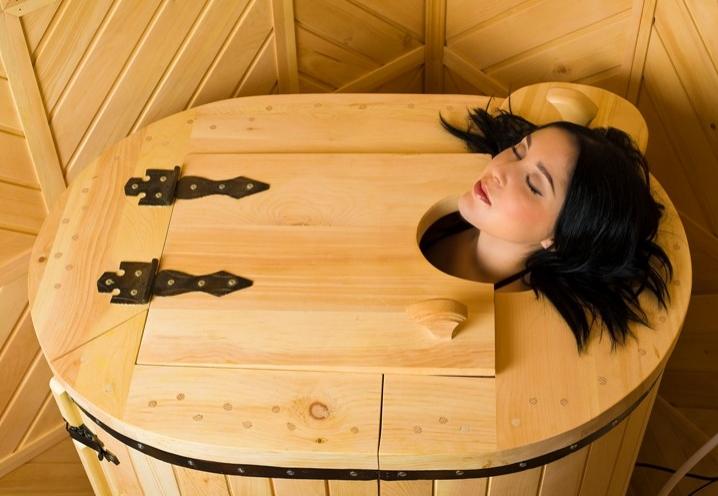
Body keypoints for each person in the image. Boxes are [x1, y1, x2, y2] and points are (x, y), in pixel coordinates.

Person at [420, 105, 673, 353]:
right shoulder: (446, 216)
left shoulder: (518, 330)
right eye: (519, 151)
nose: (501, 170)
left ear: (557, 239)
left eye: (533, 185)